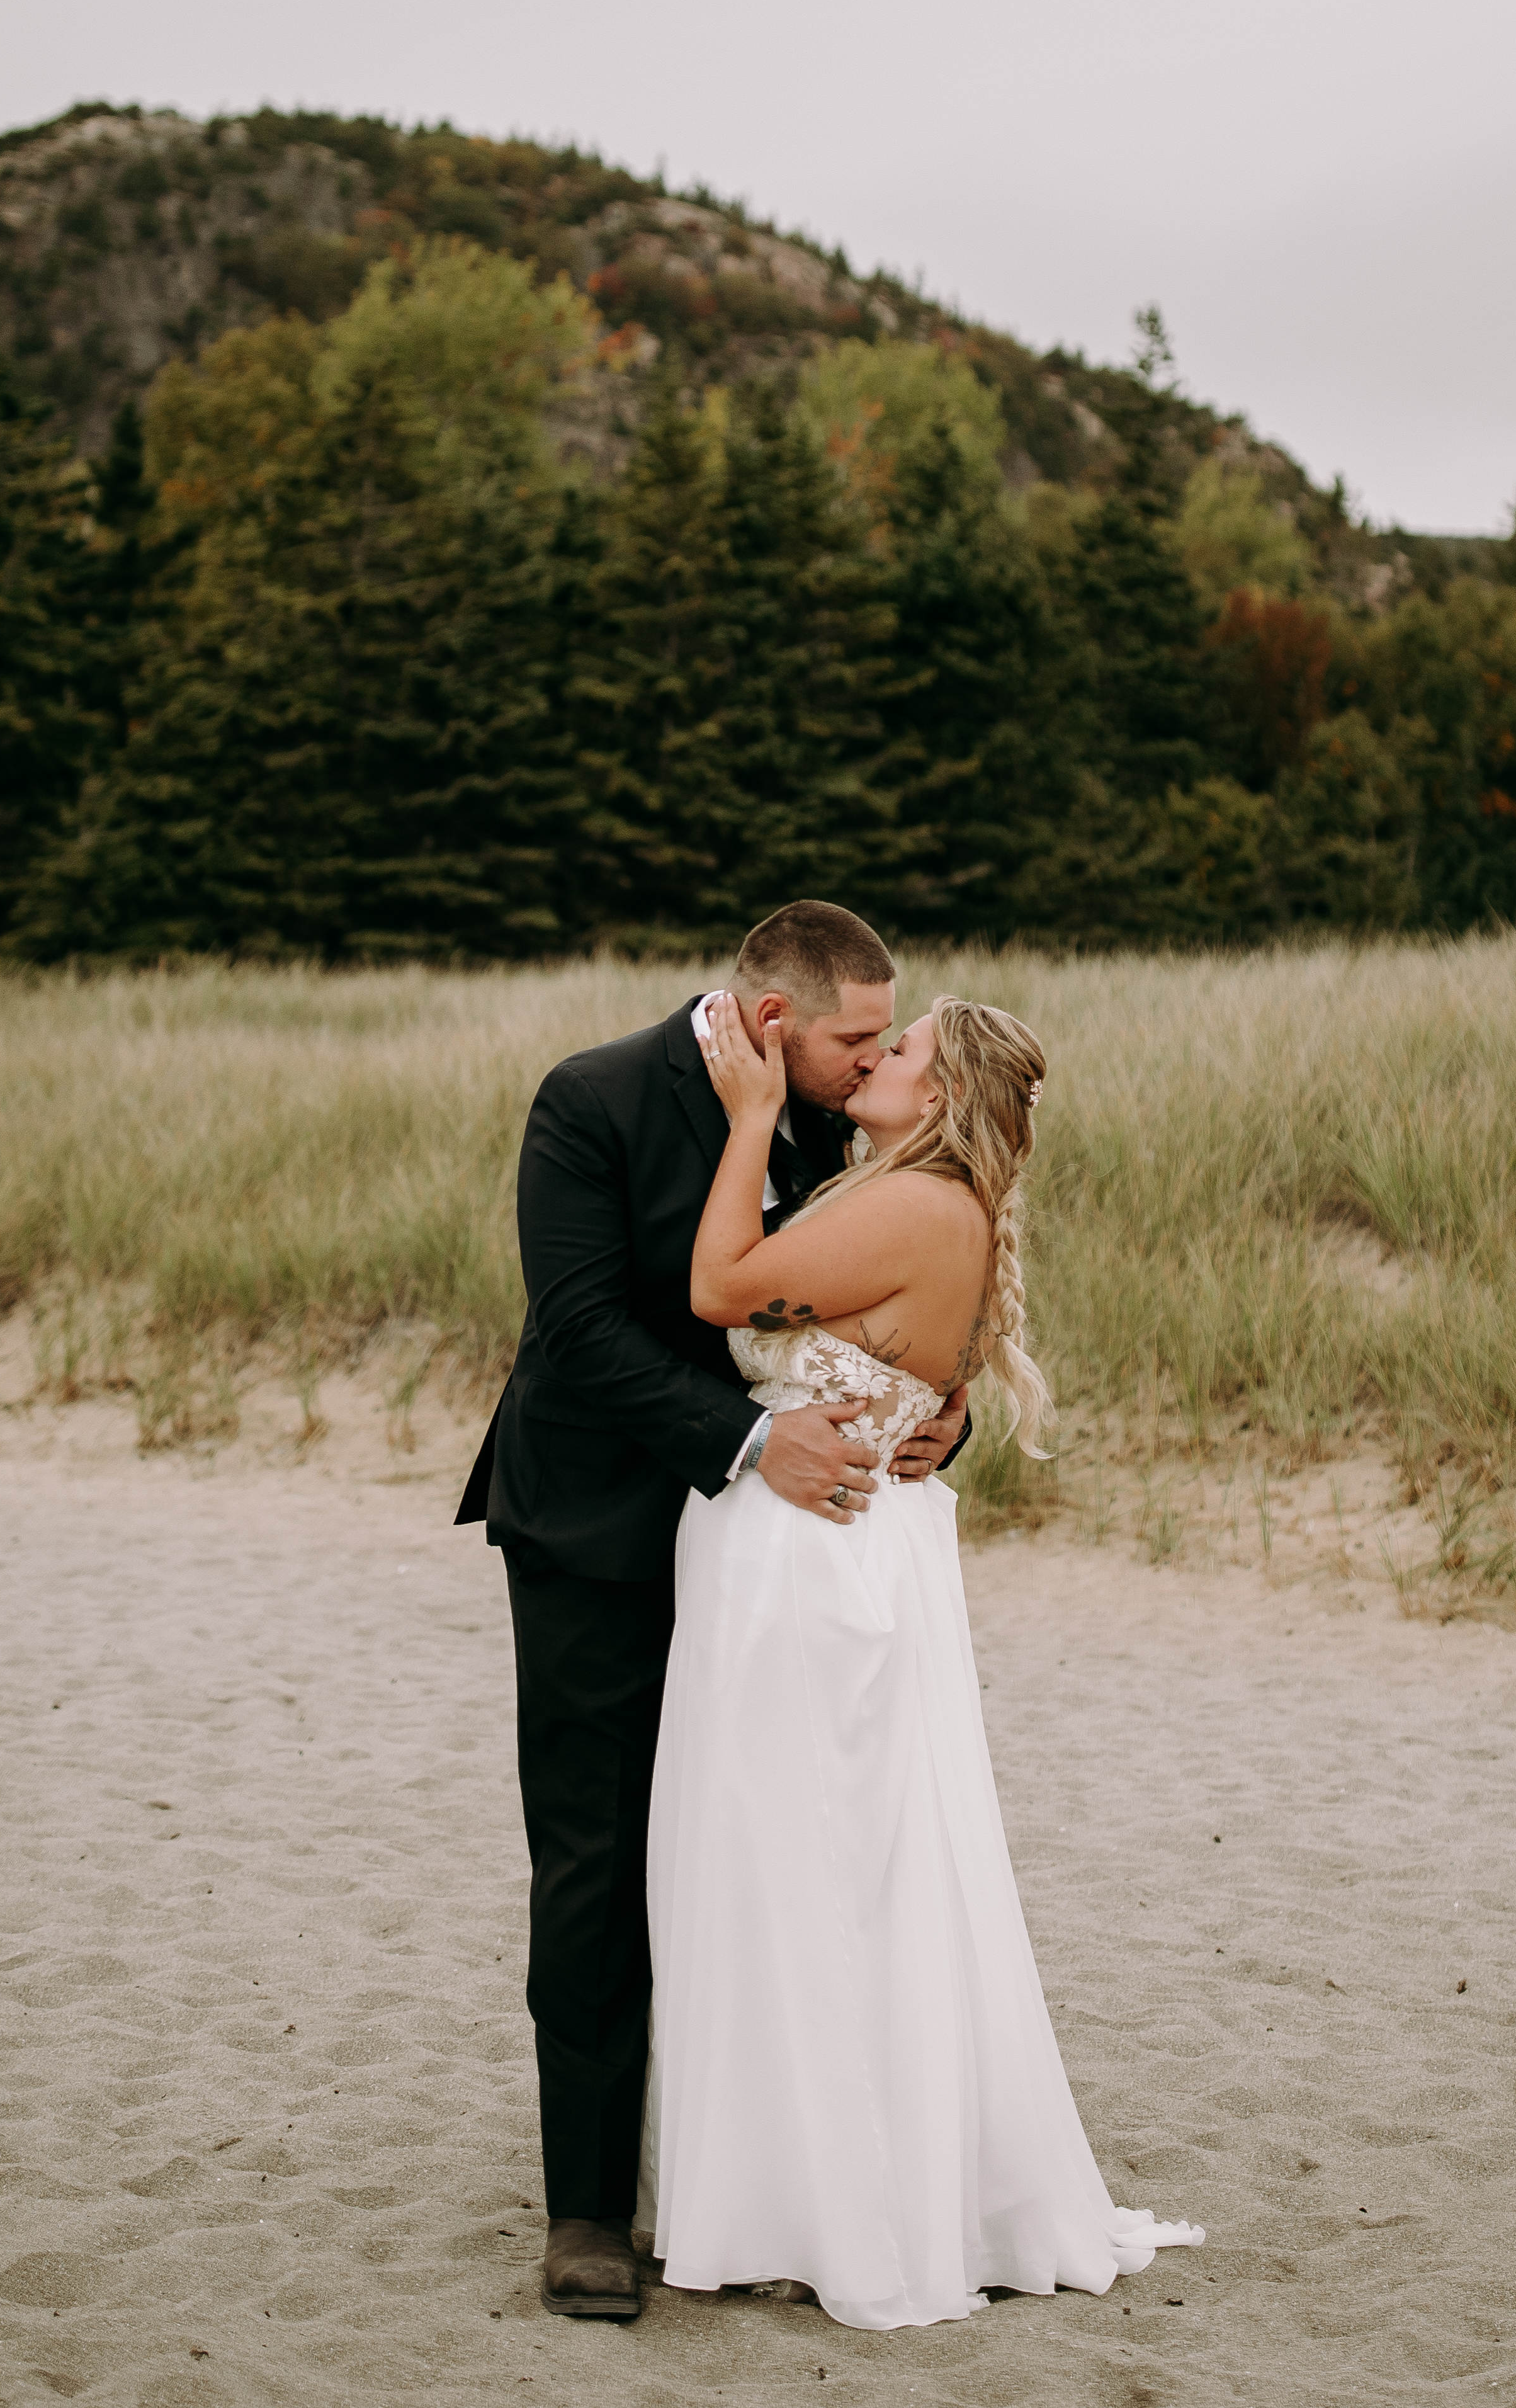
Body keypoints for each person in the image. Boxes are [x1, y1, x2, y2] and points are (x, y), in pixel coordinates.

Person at [637, 986, 1203, 2329]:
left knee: (798, 1871)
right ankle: (825, 2182)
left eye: (900, 1050)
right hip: (842, 1548)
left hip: (812, 1565)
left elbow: (719, 1285)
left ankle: (821, 2201)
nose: (878, 1058)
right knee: (840, 1875)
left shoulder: (907, 1203)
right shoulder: (916, 1198)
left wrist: (752, 1113)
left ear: (939, 1097)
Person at [455, 901, 971, 2319]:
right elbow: (578, 1328)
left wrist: (940, 1410)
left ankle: (773, 2174)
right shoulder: (594, 1097)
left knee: (778, 1853)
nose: (872, 1061)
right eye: (852, 1036)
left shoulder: (841, 1117)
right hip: (599, 1536)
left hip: (778, 1564)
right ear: (769, 1020)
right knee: (598, 1855)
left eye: (884, 1037)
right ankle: (583, 2211)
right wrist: (748, 1443)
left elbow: (895, 1296)